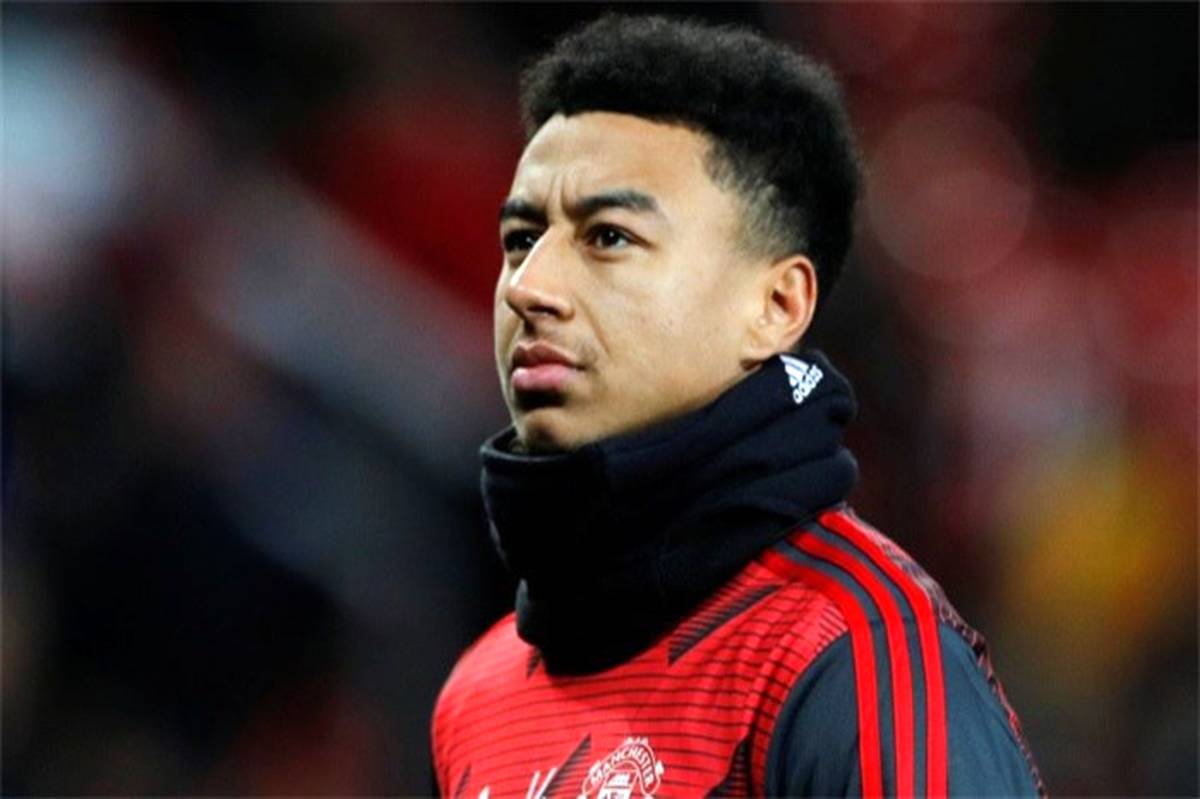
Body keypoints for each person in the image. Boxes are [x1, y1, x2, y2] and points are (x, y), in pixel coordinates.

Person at [431, 14, 1043, 798]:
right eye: (521, 238)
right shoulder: (474, 697)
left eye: (608, 236)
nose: (529, 287)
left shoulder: (853, 652)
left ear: (776, 306)